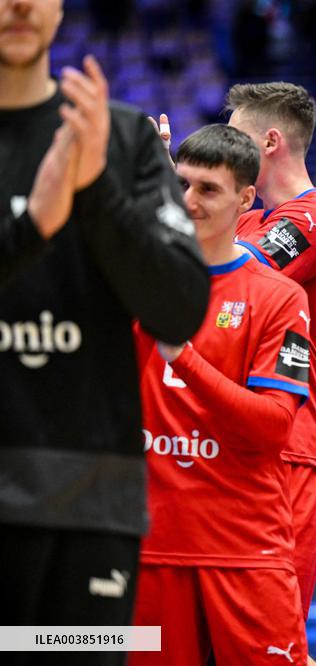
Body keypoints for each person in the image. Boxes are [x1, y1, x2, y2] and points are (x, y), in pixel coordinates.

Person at [0, 2, 209, 661]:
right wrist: (31, 230)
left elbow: (179, 311)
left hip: (94, 509)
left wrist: (95, 191)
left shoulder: (122, 140)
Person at [130, 125, 310, 665]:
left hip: (245, 548)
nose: (189, 200)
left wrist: (181, 355)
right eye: (180, 184)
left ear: (246, 198)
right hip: (151, 547)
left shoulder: (279, 298)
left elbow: (273, 427)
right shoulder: (134, 283)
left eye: (207, 189)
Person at [226, 82, 316, 617]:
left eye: (234, 139)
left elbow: (225, 277)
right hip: (235, 440)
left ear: (270, 141)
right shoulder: (247, 220)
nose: (223, 152)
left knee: (269, 631)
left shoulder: (315, 221)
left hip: (294, 444)